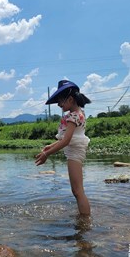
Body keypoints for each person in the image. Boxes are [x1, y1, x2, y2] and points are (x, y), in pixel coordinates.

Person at [35, 80, 91, 215]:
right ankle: (83, 218)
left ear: (70, 99)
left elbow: (66, 141)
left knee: (78, 191)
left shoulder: (73, 116)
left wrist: (47, 154)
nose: (59, 104)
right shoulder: (78, 113)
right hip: (75, 150)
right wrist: (50, 146)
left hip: (75, 152)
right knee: (77, 190)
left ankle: (85, 220)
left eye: (60, 101)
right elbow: (67, 138)